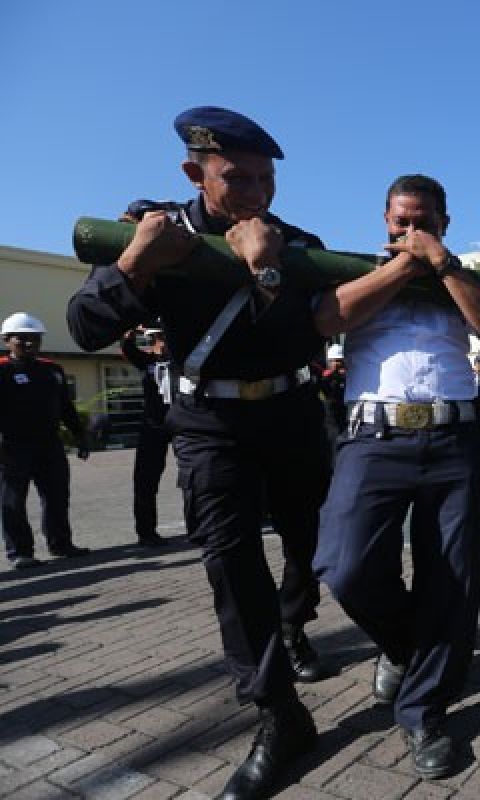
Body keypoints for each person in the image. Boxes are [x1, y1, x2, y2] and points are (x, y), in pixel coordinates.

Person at [67, 107, 333, 799]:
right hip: (209, 421)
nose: (255, 192)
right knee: (231, 561)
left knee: (312, 541)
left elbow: (310, 340)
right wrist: (135, 262)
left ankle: (295, 622)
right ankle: (276, 712)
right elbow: (87, 326)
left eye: (265, 178)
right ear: (195, 173)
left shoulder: (297, 242)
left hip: (293, 410)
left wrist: (267, 269)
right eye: (235, 178)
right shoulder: (157, 233)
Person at [313, 174, 480, 779]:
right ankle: (406, 648)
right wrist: (402, 267)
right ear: (385, 220)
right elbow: (326, 320)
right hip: (375, 436)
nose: (412, 231)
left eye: (424, 221)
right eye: (401, 221)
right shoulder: (357, 269)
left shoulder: (461, 273)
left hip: (455, 435)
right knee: (343, 563)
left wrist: (444, 266)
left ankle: (423, 709)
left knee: (452, 575)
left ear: (445, 222)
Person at [1, 312, 90, 569]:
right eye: (22, 338)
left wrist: (79, 435)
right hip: (12, 447)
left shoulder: (52, 370)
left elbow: (66, 407)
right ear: (7, 340)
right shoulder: (2, 371)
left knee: (57, 496)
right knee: (12, 501)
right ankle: (20, 552)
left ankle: (60, 543)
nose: (30, 343)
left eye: (35, 338)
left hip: (49, 445)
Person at [120, 324, 172, 547]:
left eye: (163, 337)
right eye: (155, 338)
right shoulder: (146, 361)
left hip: (183, 423)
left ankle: (199, 527)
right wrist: (131, 331)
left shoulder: (184, 359)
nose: (159, 343)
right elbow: (127, 347)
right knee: (145, 479)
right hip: (153, 425)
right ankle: (146, 531)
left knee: (194, 476)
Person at [318, 343, 348, 449]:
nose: (337, 363)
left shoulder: (349, 377)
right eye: (334, 360)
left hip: (346, 418)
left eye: (339, 360)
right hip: (331, 420)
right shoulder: (325, 379)